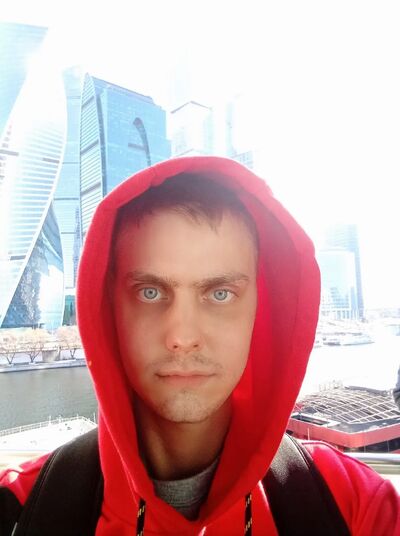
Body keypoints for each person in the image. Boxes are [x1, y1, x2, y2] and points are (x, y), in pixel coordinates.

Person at [1, 156, 399, 534]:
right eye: (150, 292)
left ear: (260, 311)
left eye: (220, 294)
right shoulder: (19, 511)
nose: (182, 338)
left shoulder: (354, 506)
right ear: (108, 310)